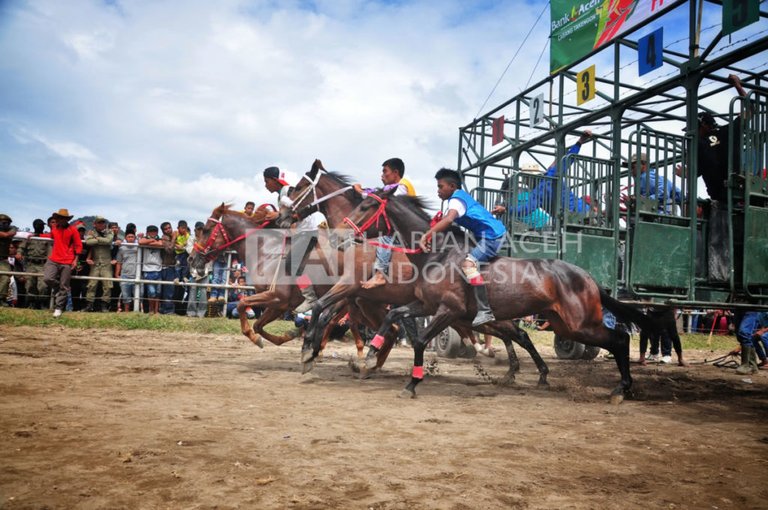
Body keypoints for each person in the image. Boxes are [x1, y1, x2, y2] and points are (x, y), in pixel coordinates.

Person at [419, 168, 506, 327]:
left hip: (493, 236)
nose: (438, 191)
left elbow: (448, 220)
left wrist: (427, 235)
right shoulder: (457, 199)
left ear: (452, 186)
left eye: (440, 186)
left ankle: (485, 310)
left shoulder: (456, 200)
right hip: (483, 235)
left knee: (468, 265)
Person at [264, 165, 325, 313]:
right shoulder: (282, 194)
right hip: (301, 232)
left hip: (308, 231)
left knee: (291, 264)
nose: (265, 185)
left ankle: (310, 297)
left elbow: (297, 208)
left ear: (274, 180)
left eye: (266, 181)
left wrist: (277, 215)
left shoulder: (288, 191)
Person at [493, 131, 593, 218]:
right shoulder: (550, 175)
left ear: (530, 178)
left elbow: (524, 210)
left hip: (571, 217)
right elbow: (567, 160)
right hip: (583, 211)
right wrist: (580, 141)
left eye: (525, 179)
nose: (525, 182)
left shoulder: (536, 193)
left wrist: (505, 209)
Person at [352, 157, 415, 289]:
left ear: (395, 172)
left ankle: (380, 275)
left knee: (384, 240)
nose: (382, 175)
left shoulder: (403, 185)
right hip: (400, 228)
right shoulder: (391, 187)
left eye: (385, 171)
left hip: (408, 230)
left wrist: (360, 192)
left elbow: (384, 199)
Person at [43, 209, 82, 318]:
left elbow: (78, 245)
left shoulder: (73, 230)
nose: (61, 220)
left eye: (63, 218)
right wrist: (34, 235)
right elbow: (50, 236)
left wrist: (76, 259)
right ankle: (58, 290)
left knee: (64, 285)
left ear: (67, 219)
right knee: (48, 278)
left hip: (67, 261)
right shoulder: (54, 228)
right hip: (53, 259)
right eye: (59, 218)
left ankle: (58, 308)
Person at [84, 216, 114, 312]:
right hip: (95, 263)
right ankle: (89, 306)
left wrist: (96, 238)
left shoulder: (109, 232)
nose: (101, 224)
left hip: (106, 263)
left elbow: (109, 241)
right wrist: (101, 240)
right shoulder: (91, 232)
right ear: (95, 224)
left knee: (107, 285)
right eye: (99, 222)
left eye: (103, 222)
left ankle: (104, 306)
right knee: (92, 284)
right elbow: (88, 242)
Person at [20, 219, 51, 309]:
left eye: (43, 225)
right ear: (35, 226)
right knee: (30, 284)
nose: (42, 227)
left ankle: (42, 303)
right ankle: (31, 303)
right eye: (40, 225)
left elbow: (50, 251)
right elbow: (21, 247)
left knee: (43, 285)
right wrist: (19, 253)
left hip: (42, 264)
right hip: (31, 264)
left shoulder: (46, 238)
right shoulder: (29, 237)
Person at [139, 225, 163, 314]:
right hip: (147, 269)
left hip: (158, 269)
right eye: (151, 232)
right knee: (151, 292)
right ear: (147, 232)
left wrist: (149, 242)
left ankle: (156, 311)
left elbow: (161, 244)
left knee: (157, 292)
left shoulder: (160, 239)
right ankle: (151, 310)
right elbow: (140, 242)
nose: (153, 233)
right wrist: (152, 240)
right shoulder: (144, 239)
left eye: (154, 232)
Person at [115, 231, 139, 312]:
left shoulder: (139, 247)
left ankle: (136, 312)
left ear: (135, 238)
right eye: (129, 237)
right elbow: (119, 262)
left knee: (138, 295)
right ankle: (126, 312)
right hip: (125, 275)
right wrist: (117, 273)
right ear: (125, 238)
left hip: (137, 275)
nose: (131, 238)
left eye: (132, 237)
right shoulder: (122, 248)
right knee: (126, 296)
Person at [0, 214, 19, 307]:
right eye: (2, 223)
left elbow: (12, 231)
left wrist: (6, 234)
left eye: (6, 223)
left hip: (3, 259)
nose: (4, 225)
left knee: (6, 277)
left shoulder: (11, 229)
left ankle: (1, 298)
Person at [159, 221, 177, 314]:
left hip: (172, 267)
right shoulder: (165, 238)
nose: (168, 230)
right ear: (163, 231)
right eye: (166, 229)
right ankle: (168, 310)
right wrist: (174, 238)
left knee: (170, 290)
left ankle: (165, 309)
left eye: (169, 227)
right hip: (166, 267)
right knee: (168, 290)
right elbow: (169, 250)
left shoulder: (172, 237)